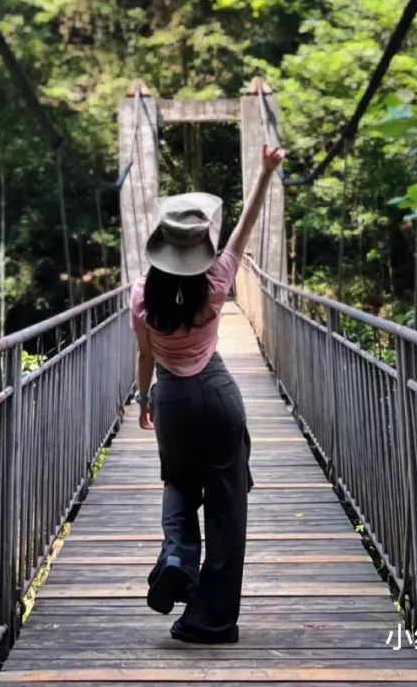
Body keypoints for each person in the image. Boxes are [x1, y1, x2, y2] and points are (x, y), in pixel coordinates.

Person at [130, 142, 286, 644]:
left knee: (177, 482)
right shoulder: (217, 283)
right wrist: (265, 171)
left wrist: (143, 400)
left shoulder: (141, 297)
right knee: (226, 506)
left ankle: (178, 553)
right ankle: (212, 619)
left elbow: (146, 358)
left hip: (171, 401)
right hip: (219, 398)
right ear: (200, 248)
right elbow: (247, 223)